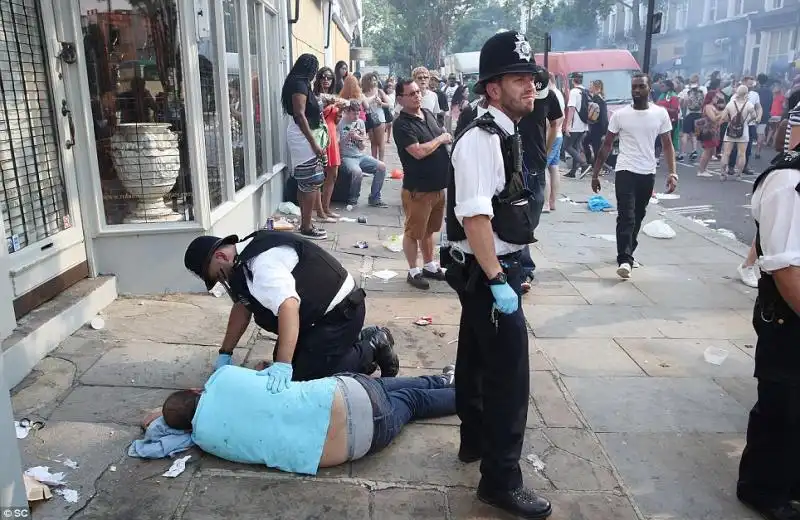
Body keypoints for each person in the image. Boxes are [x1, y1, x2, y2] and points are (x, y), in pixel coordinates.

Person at [444, 30, 552, 519]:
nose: (530, 86)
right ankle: (501, 480)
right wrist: (497, 280)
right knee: (509, 378)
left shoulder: (503, 130)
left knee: (476, 360)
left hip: (489, 267)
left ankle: (473, 441)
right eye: (518, 79)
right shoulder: (482, 139)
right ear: (492, 87)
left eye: (531, 78)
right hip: (489, 270)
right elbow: (475, 217)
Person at [183, 230, 399, 385]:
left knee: (303, 382)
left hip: (339, 315)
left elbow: (288, 306)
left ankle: (372, 345)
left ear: (221, 256)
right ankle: (350, 347)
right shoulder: (241, 262)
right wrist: (225, 354)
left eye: (218, 276)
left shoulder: (261, 262)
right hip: (315, 318)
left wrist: (284, 366)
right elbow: (243, 305)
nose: (223, 282)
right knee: (286, 361)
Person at [161, 365, 456, 474]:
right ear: (195, 390)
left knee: (407, 403)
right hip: (347, 394)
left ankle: (458, 387)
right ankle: (455, 385)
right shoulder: (222, 378)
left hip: (359, 444)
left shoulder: (205, 440)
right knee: (389, 390)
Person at [736, 109, 800, 520]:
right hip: (787, 315)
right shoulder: (789, 181)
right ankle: (763, 489)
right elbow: (785, 268)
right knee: (783, 405)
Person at [590, 73, 678, 280]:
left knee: (638, 215)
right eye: (634, 87)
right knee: (626, 216)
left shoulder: (660, 114)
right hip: (625, 170)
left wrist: (673, 172)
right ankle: (624, 259)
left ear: (649, 90)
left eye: (641, 87)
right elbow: (607, 144)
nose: (636, 90)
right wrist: (595, 174)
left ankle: (629, 250)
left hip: (647, 172)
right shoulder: (620, 115)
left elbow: (667, 144)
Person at [393, 77, 451, 290]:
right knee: (413, 231)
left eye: (418, 92)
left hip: (437, 185)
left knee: (429, 230)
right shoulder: (401, 124)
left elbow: (437, 136)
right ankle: (413, 270)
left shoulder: (427, 114)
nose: (417, 95)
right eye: (412, 93)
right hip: (419, 188)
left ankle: (429, 265)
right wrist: (441, 139)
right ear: (400, 99)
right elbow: (417, 151)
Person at [518, 66, 564, 290]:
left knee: (533, 215)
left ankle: (520, 259)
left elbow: (556, 121)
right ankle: (523, 267)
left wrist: (547, 149)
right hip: (514, 162)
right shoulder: (514, 93)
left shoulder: (549, 96)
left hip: (536, 161)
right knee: (518, 217)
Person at [281, 54, 328, 240]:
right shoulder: (299, 85)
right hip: (303, 136)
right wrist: (314, 143)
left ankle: (305, 222)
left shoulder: (297, 82)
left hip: (302, 134)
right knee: (311, 181)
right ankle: (307, 227)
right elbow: (300, 115)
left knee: (306, 183)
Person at [338, 100, 388, 207]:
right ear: (347, 112)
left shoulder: (360, 122)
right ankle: (353, 198)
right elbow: (338, 146)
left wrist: (359, 139)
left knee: (381, 167)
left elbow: (362, 147)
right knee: (357, 172)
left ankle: (375, 197)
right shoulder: (341, 123)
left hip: (359, 155)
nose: (356, 116)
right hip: (346, 156)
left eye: (358, 113)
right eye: (353, 113)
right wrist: (348, 137)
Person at [313, 67, 345, 222]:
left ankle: (326, 207)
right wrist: (327, 104)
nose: (326, 80)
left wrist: (339, 111)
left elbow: (336, 120)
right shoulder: (315, 97)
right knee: (318, 175)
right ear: (318, 79)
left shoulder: (334, 97)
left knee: (333, 174)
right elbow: (315, 117)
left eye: (329, 78)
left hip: (332, 134)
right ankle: (319, 211)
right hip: (320, 136)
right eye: (323, 77)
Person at [720, 85, 757, 181]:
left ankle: (723, 174)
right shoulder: (749, 105)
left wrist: (730, 120)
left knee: (726, 153)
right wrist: (747, 121)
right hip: (743, 130)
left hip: (730, 130)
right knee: (742, 153)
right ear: (746, 93)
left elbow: (723, 117)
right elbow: (754, 116)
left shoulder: (730, 104)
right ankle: (739, 175)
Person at [544, 73, 566, 213]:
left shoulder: (550, 95)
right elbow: (562, 116)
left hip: (551, 135)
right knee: (554, 167)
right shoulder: (559, 94)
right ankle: (552, 202)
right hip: (558, 135)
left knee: (543, 168)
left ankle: (545, 203)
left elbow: (551, 120)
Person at [563, 72, 589, 178]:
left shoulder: (574, 92)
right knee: (576, 146)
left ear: (573, 80)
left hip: (575, 125)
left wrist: (568, 125)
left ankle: (584, 164)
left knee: (567, 146)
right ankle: (573, 172)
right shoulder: (585, 91)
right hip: (584, 125)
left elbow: (571, 108)